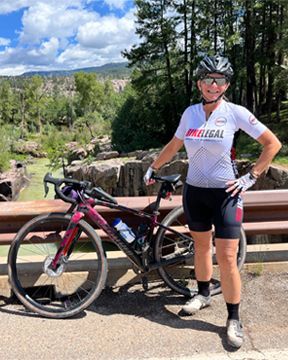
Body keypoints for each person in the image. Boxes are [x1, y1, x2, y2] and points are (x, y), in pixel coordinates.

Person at [143, 55, 282, 348]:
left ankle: (233, 318)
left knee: (228, 257)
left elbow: (273, 144)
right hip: (194, 192)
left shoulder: (235, 112)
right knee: (202, 248)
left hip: (225, 194)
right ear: (199, 83)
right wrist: (154, 166)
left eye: (219, 80)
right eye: (208, 78)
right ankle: (203, 294)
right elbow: (174, 145)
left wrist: (250, 177)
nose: (213, 84)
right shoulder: (190, 113)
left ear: (227, 84)